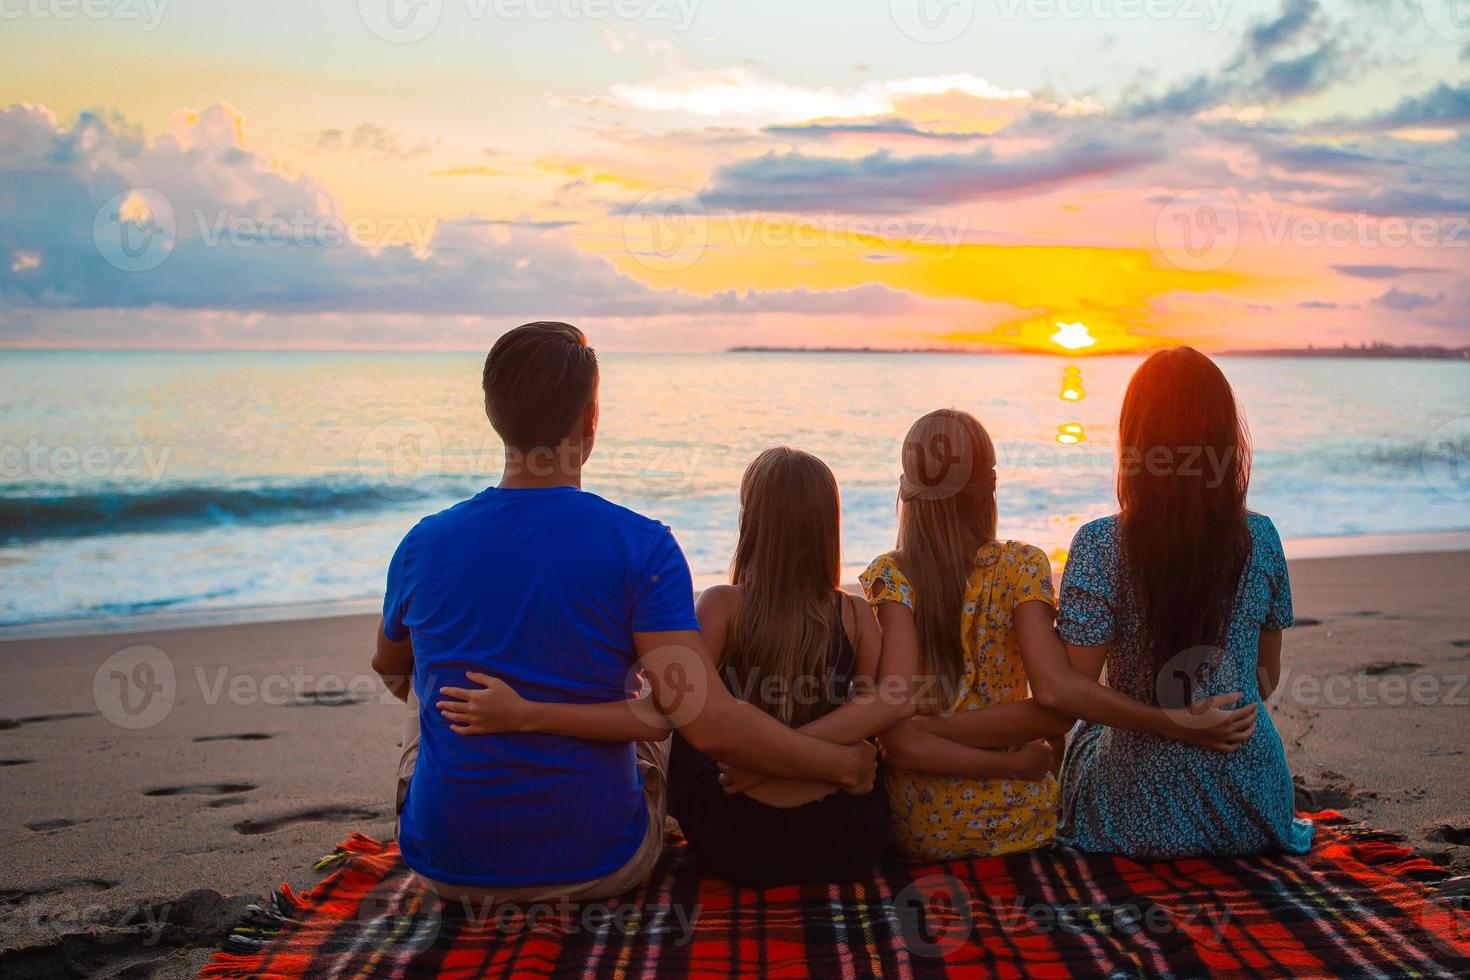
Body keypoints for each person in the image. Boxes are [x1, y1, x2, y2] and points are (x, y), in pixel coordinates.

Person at [371, 322, 876, 906]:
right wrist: (839, 765)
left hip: (447, 868)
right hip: (600, 863)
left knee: (426, 687)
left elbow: (391, 671)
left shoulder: (422, 542)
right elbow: (704, 721)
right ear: (590, 419)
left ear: (493, 415)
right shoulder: (643, 546)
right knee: (666, 698)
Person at [1045, 346, 1311, 857]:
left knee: (1081, 734)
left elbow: (1071, 692)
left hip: (1134, 817)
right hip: (1252, 809)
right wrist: (1211, 716)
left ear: (1136, 440)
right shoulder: (1263, 537)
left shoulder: (1100, 544)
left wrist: (1171, 723)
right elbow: (1265, 678)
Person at [857, 409, 1068, 860]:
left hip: (917, 827)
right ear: (989, 490)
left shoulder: (890, 577)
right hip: (1017, 820)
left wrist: (931, 729)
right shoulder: (1023, 567)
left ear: (906, 491)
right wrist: (1011, 764)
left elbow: (904, 745)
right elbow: (1054, 708)